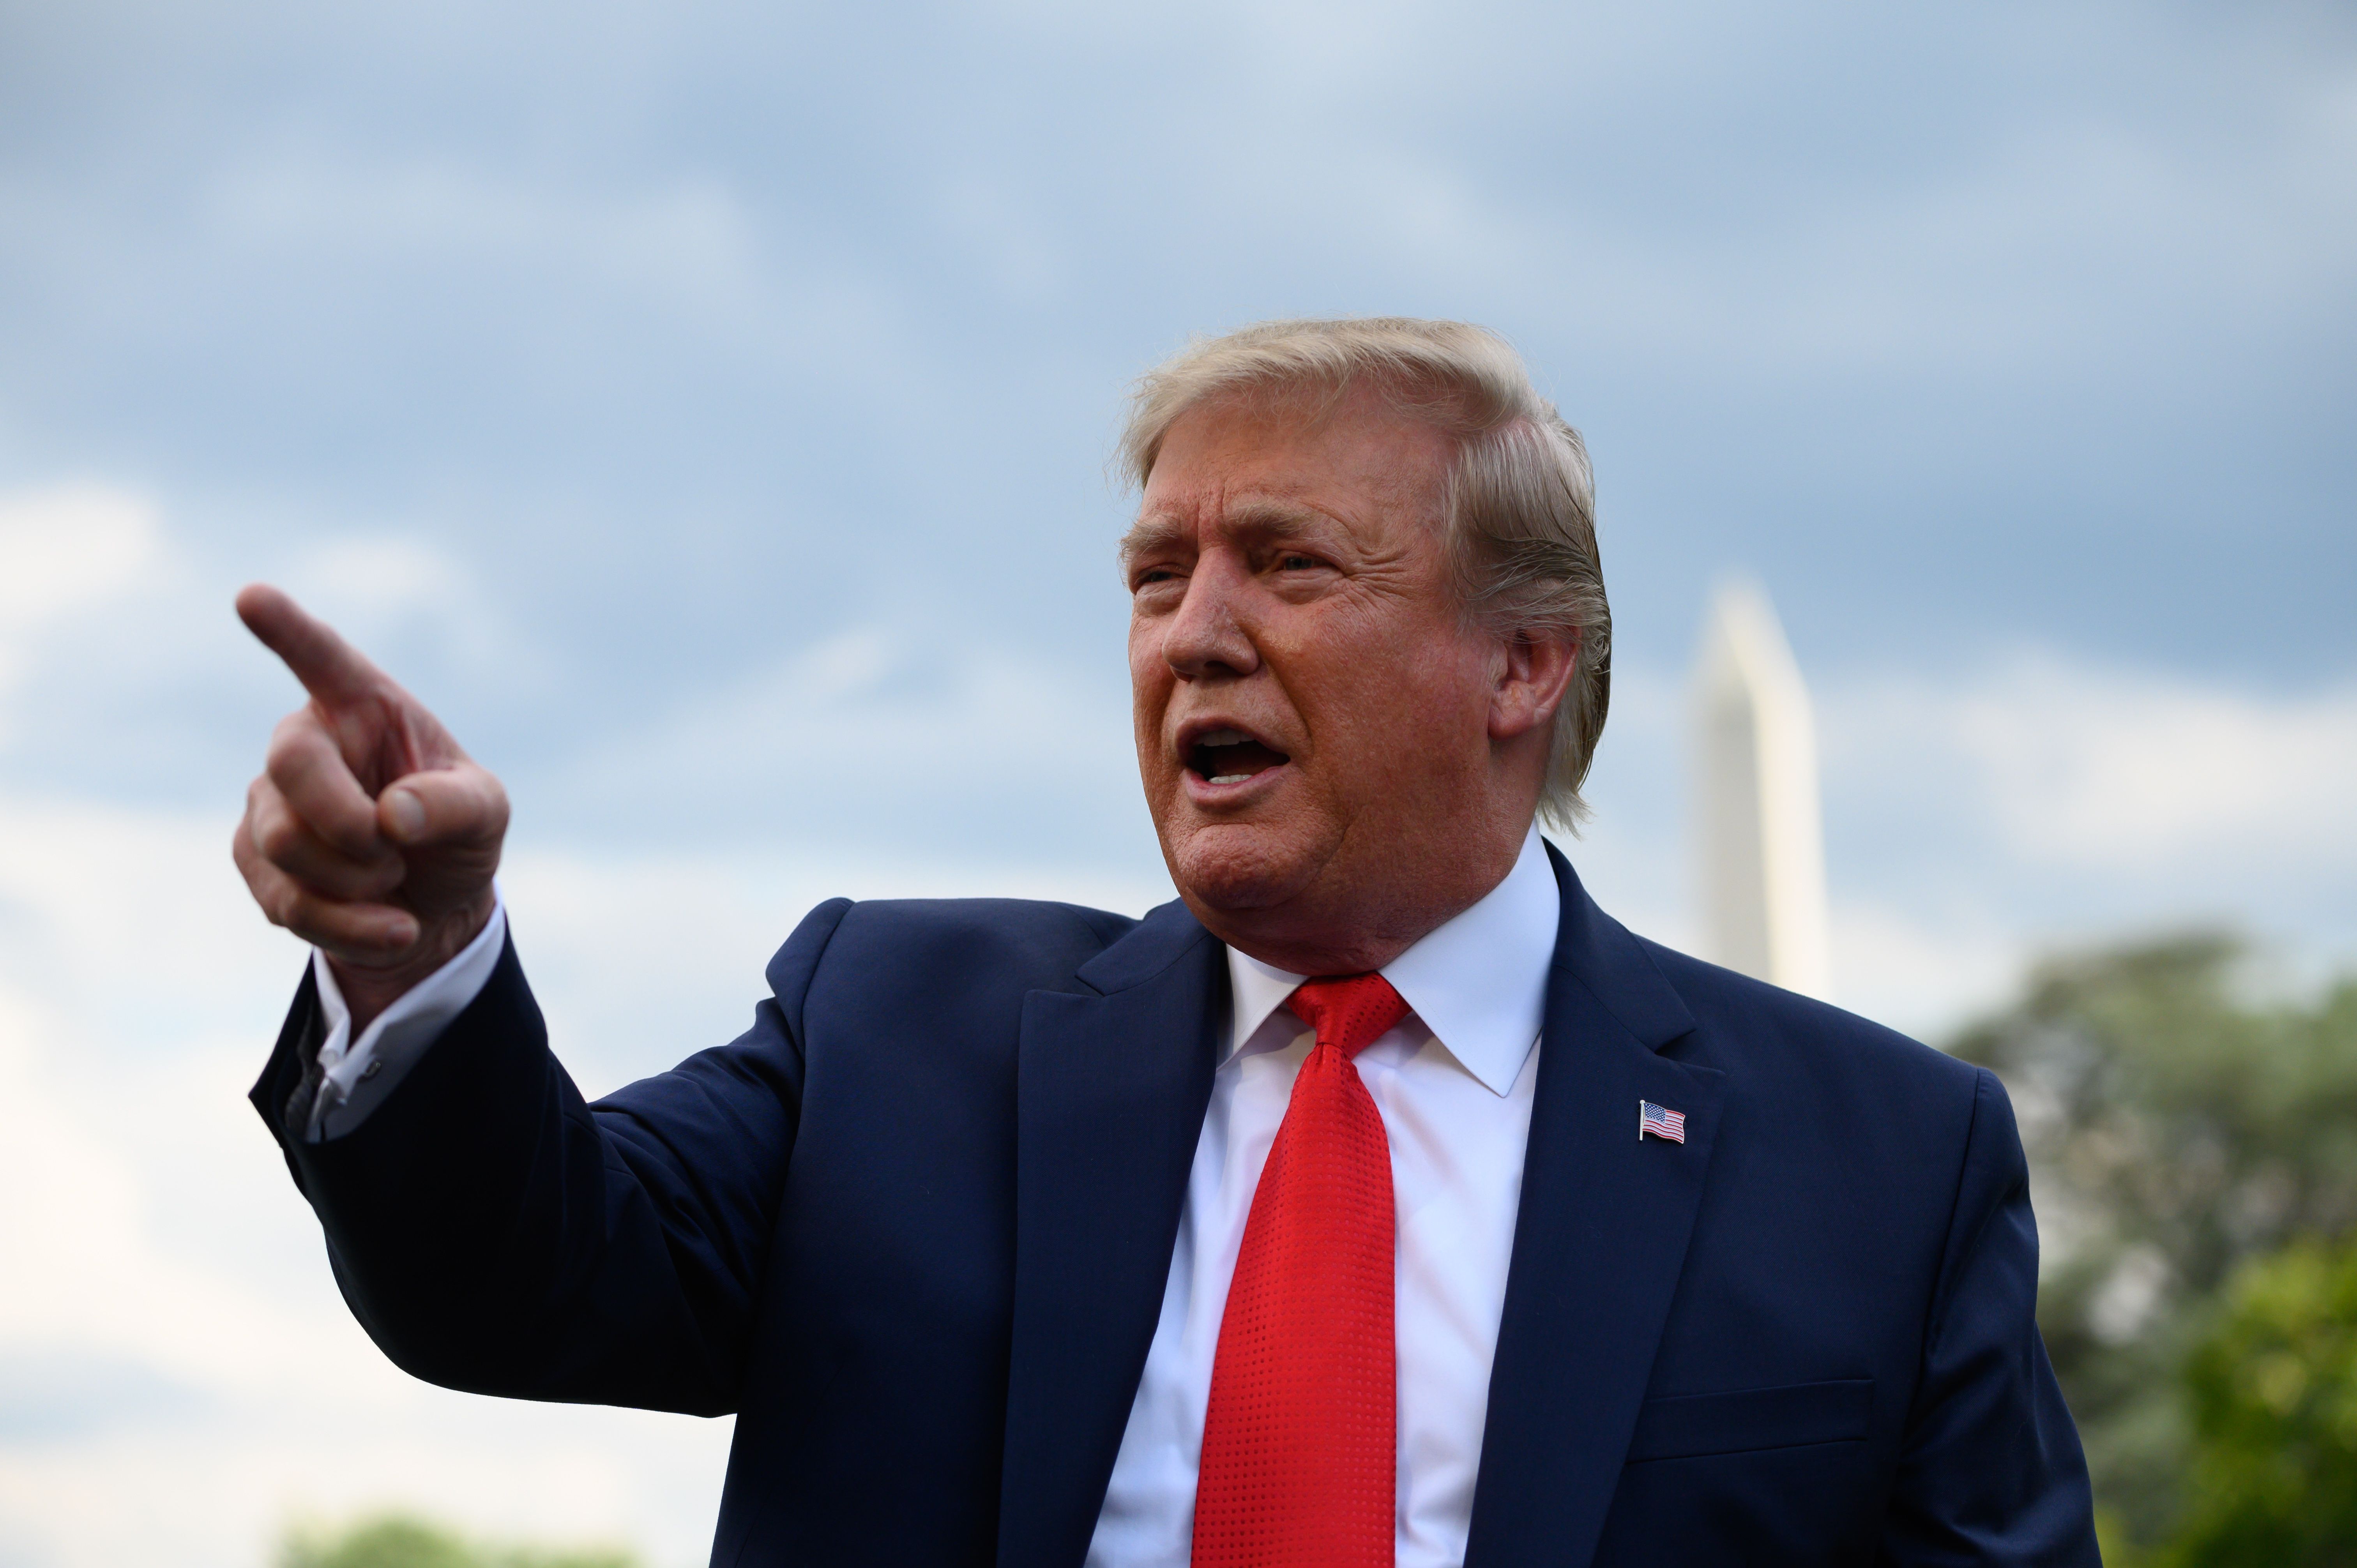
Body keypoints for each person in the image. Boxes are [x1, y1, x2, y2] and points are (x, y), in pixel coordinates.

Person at [235, 318, 2098, 1567]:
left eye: (1287, 565)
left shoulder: (1883, 1164)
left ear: (1525, 662)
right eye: (1155, 576)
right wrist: (422, 960)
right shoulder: (888, 1030)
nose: (1190, 635)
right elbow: (516, 1275)